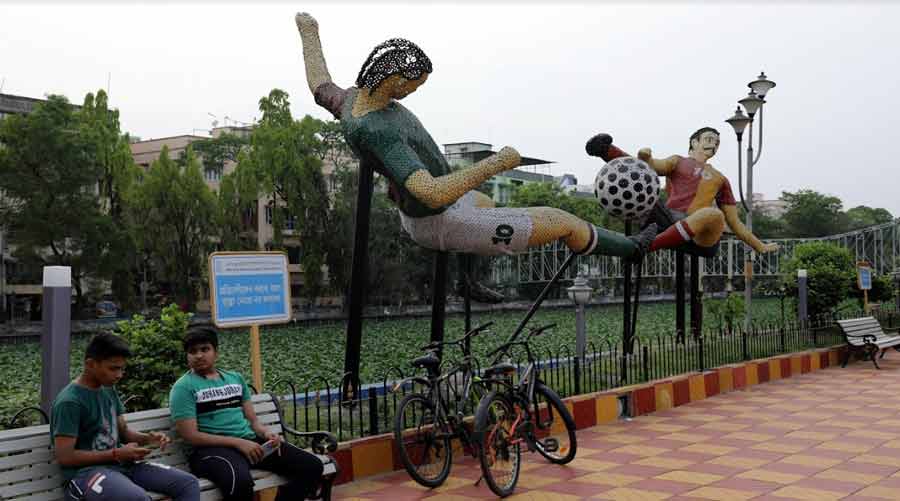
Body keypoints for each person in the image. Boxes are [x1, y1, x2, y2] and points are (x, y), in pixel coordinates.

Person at [294, 13, 656, 266]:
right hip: (436, 220)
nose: (414, 91)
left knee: (484, 204)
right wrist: (497, 162)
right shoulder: (379, 132)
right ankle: (633, 248)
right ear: (396, 79)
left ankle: (470, 278)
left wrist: (309, 32)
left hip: (448, 207)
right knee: (560, 221)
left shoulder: (354, 99)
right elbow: (432, 192)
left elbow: (320, 83)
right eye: (415, 85)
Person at [169, 325, 324, 501]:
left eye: (205, 349)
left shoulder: (235, 379)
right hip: (210, 452)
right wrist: (238, 443)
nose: (198, 355)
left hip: (249, 443)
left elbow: (253, 422)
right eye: (192, 351)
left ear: (216, 352)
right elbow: (191, 436)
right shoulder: (183, 387)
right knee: (239, 482)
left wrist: (267, 433)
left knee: (312, 466)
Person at [50, 332, 200, 501]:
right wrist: (116, 454)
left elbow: (123, 432)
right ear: (90, 364)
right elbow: (65, 456)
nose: (119, 375)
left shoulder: (107, 389)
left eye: (122, 368)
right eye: (113, 368)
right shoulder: (70, 402)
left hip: (122, 467)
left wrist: (149, 439)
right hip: (85, 475)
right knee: (136, 498)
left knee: (188, 483)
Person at [586, 129, 779, 256]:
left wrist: (759, 246)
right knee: (645, 183)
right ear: (694, 142)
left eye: (717, 142)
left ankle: (641, 246)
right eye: (709, 139)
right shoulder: (678, 161)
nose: (713, 144)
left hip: (701, 235)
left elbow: (735, 223)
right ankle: (605, 150)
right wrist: (646, 158)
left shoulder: (720, 179)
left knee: (713, 215)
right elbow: (651, 168)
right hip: (669, 219)